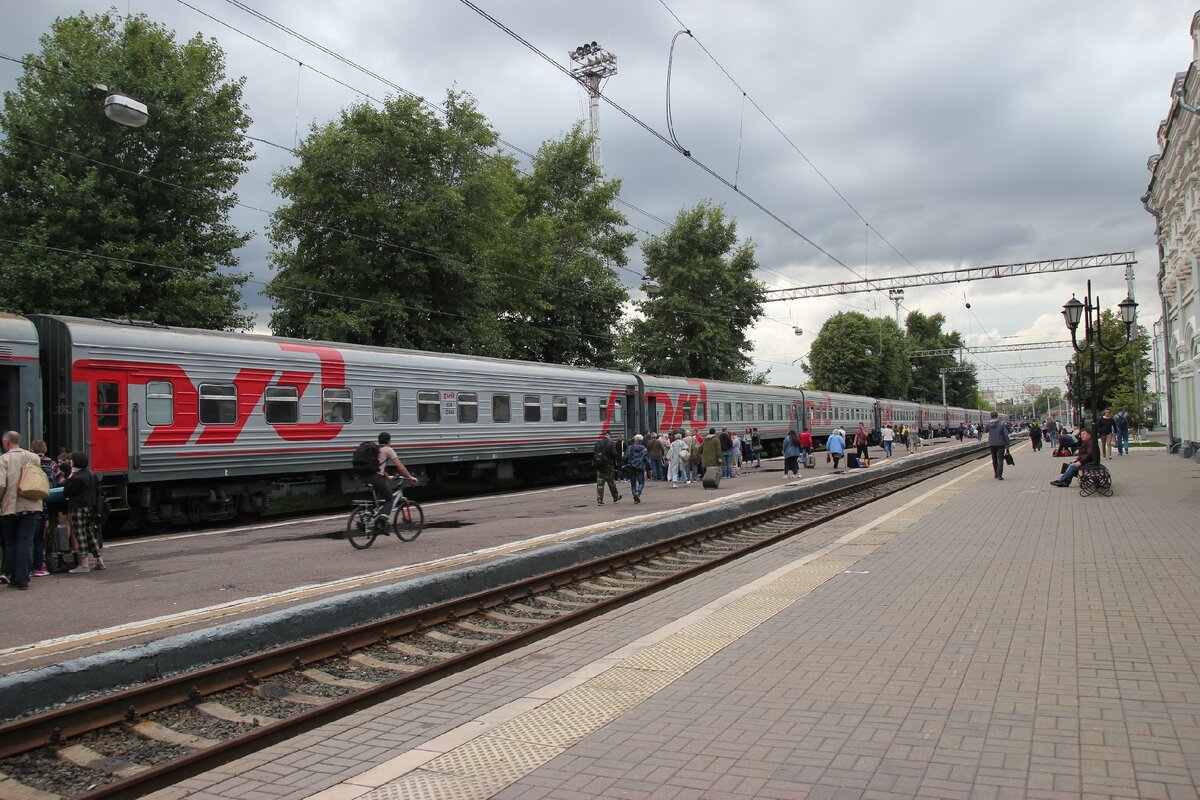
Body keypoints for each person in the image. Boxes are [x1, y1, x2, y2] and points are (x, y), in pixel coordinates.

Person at [0, 431, 44, 590]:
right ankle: (24, 579)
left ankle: (14, 577)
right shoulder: (33, 457)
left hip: (10, 507)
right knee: (26, 541)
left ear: (6, 443)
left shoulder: (3, 459)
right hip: (32, 505)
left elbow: (1, 485)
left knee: (11, 542)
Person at [62, 451, 106, 573]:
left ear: (75, 462)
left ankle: (84, 564)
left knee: (80, 534)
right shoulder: (91, 474)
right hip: (89, 507)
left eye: (71, 460)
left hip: (77, 508)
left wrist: (69, 476)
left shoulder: (77, 478)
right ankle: (99, 560)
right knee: (89, 534)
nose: (70, 462)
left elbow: (66, 492)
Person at [369, 433, 419, 524]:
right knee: (390, 499)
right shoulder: (388, 449)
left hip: (366, 477)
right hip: (377, 478)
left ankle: (369, 517)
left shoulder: (375, 449)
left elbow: (376, 466)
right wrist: (410, 477)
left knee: (380, 500)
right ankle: (382, 523)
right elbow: (400, 467)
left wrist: (387, 476)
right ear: (389, 441)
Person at [593, 431, 621, 505]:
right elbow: (614, 454)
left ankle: (599, 500)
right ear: (609, 435)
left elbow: (595, 453)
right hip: (608, 466)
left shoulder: (598, 443)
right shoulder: (610, 443)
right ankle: (615, 497)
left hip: (599, 466)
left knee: (600, 484)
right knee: (611, 483)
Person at [984, 411, 1010, 480]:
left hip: (992, 444)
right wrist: (1007, 444)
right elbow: (1005, 435)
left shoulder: (988, 424)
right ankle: (1000, 475)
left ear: (991, 416)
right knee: (1000, 459)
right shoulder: (1001, 424)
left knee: (994, 459)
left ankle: (996, 474)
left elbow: (985, 431)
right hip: (1001, 444)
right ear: (997, 416)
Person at [624, 434, 648, 504]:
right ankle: (638, 493)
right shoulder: (644, 449)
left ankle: (635, 497)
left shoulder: (629, 448)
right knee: (641, 483)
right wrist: (649, 467)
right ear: (641, 441)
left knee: (633, 483)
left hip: (631, 467)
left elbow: (625, 457)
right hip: (640, 467)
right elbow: (645, 459)